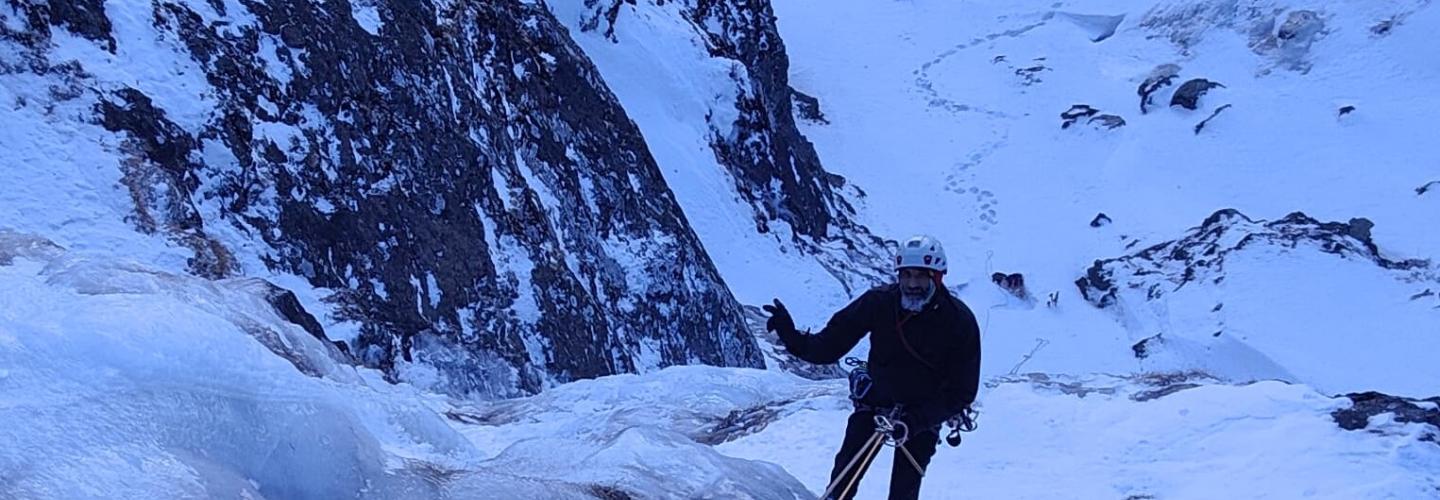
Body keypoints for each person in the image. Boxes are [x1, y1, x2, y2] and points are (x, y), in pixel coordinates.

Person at [764, 235, 982, 500]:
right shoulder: (879, 303)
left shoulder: (958, 322)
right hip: (875, 405)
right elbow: (829, 346)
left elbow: (962, 391)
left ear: (937, 278)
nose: (913, 284)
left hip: (923, 415)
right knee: (840, 487)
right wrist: (791, 336)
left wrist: (916, 422)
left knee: (903, 492)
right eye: (907, 275)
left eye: (921, 276)